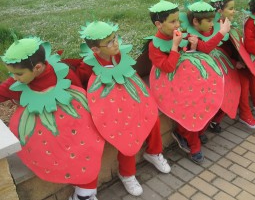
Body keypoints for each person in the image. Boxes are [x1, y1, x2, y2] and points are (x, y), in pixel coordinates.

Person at [0, 36, 105, 200]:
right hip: (46, 137)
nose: (14, 78)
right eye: (11, 73)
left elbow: (79, 98)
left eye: (19, 73)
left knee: (86, 152)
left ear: (38, 67)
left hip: (74, 127)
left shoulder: (63, 72)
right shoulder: (18, 83)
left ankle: (85, 194)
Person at [76, 20, 171, 197]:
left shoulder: (119, 55)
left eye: (115, 38)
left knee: (153, 118)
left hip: (130, 101)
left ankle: (154, 152)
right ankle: (127, 173)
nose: (116, 43)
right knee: (126, 132)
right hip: (109, 111)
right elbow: (83, 89)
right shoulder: (87, 66)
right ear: (95, 50)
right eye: (110, 42)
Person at [147, 0, 226, 164]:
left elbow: (202, 50)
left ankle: (187, 133)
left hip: (188, 79)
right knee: (189, 106)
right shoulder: (154, 45)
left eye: (177, 20)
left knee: (206, 99)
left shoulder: (180, 34)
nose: (178, 25)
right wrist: (175, 46)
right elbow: (168, 67)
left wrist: (194, 45)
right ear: (158, 24)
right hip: (168, 84)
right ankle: (194, 144)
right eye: (173, 22)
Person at [209, 0, 255, 129]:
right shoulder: (214, 29)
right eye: (231, 8)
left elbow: (237, 46)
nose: (234, 11)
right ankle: (245, 115)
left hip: (235, 63)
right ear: (219, 11)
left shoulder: (229, 25)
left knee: (251, 74)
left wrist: (242, 60)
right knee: (243, 83)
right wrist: (235, 62)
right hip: (224, 68)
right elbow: (215, 53)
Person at [180, 0, 234, 134]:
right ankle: (193, 133)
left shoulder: (207, 28)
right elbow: (205, 48)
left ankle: (213, 121)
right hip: (198, 77)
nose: (212, 23)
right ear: (195, 21)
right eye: (209, 21)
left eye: (213, 20)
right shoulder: (191, 34)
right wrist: (221, 32)